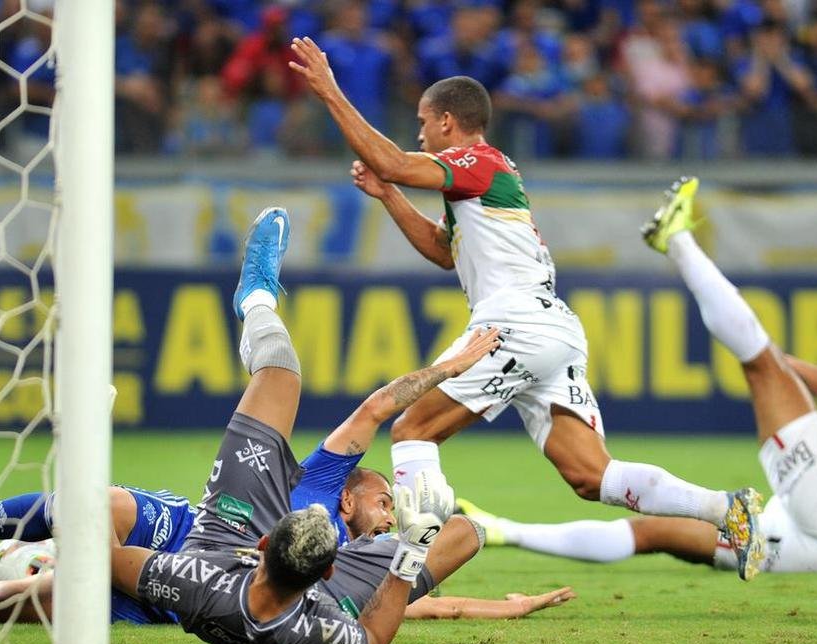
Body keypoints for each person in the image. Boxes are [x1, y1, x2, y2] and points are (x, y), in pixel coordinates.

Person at [0, 209, 573, 633]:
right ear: (343, 500)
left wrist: (494, 599)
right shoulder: (323, 497)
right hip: (225, 542)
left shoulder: (356, 571)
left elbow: (414, 595)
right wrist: (452, 366)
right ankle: (257, 297)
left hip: (202, 589)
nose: (388, 511)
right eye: (380, 501)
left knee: (57, 594)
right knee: (260, 390)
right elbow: (375, 416)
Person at [287, 37, 763, 570]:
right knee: (592, 477)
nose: (419, 134)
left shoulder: (477, 161)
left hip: (514, 322)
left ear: (447, 122)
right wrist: (389, 196)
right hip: (550, 327)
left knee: (411, 429)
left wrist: (330, 92)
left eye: (423, 122)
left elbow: (394, 160)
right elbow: (446, 253)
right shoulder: (478, 183)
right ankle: (726, 508)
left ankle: (409, 562)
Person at [459, 177, 817, 578]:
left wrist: (779, 362)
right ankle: (502, 530)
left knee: (759, 360)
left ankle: (677, 238)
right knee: (654, 530)